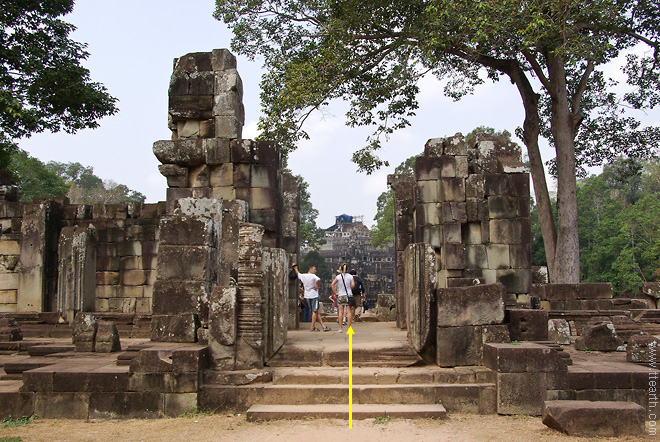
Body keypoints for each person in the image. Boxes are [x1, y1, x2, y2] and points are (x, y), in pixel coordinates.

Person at [292, 263, 331, 332]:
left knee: (316, 312)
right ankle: (312, 327)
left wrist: (295, 268)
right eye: (314, 269)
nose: (315, 271)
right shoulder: (313, 276)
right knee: (314, 312)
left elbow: (298, 274)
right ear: (311, 269)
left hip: (307, 296)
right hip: (314, 296)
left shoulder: (303, 276)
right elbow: (319, 280)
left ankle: (323, 326)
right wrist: (317, 286)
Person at [330, 263, 355, 333]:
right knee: (348, 312)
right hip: (349, 295)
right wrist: (349, 288)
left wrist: (335, 293)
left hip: (340, 295)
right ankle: (349, 328)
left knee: (340, 312)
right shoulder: (350, 276)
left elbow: (332, 284)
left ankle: (340, 328)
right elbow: (353, 285)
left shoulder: (338, 277)